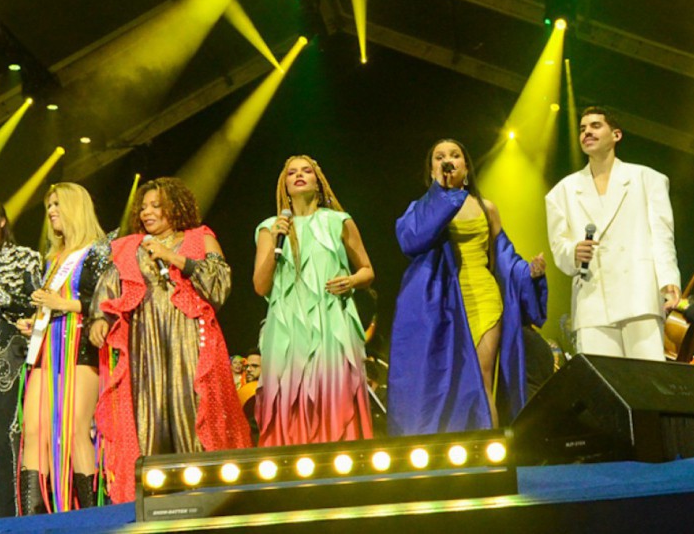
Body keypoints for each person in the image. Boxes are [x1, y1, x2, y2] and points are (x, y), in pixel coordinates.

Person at [88, 177, 249, 503]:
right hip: (146, 346)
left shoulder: (199, 237)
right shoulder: (129, 246)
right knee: (150, 415)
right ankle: (157, 495)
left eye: (155, 206)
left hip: (190, 340)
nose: (147, 212)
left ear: (174, 207)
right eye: (143, 207)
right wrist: (98, 319)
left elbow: (219, 286)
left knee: (191, 409)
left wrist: (173, 257)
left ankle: (203, 493)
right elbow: (107, 288)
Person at [391, 139, 547, 434]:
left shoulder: (486, 207)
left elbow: (503, 258)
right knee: (449, 381)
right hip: (441, 301)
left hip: (483, 296)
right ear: (431, 168)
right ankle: (452, 450)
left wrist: (530, 273)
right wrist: (441, 194)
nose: (447, 161)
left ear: (466, 165)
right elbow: (412, 240)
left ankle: (489, 451)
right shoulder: (422, 209)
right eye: (439, 157)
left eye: (454, 155)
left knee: (480, 377)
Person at [253, 155, 375, 445]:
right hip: (287, 325)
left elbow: (368, 271)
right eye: (291, 172)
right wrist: (275, 241)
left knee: (333, 390)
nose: (299, 175)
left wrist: (351, 281)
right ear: (284, 185)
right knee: (289, 391)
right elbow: (260, 286)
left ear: (318, 182)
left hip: (331, 319)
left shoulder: (338, 221)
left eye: (306, 171)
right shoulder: (270, 228)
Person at [546, 107, 680, 360]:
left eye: (596, 126)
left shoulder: (647, 179)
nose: (587, 132)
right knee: (605, 386)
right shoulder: (561, 192)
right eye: (583, 128)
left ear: (616, 135)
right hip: (592, 298)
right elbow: (559, 249)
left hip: (639, 292)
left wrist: (668, 278)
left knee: (647, 379)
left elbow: (662, 235)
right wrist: (573, 252)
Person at [17, 184, 110, 514]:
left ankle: (95, 514)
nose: (51, 210)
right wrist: (35, 319)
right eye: (49, 205)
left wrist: (63, 304)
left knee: (74, 430)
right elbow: (53, 304)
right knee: (33, 430)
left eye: (57, 203)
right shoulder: (52, 259)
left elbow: (107, 304)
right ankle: (30, 518)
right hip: (46, 349)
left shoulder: (98, 253)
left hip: (81, 348)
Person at [0, 195, 42, 518]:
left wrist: (9, 299)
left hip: (6, 356)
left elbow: (41, 304)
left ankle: (10, 514)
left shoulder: (23, 257)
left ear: (1, 220)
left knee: (6, 435)